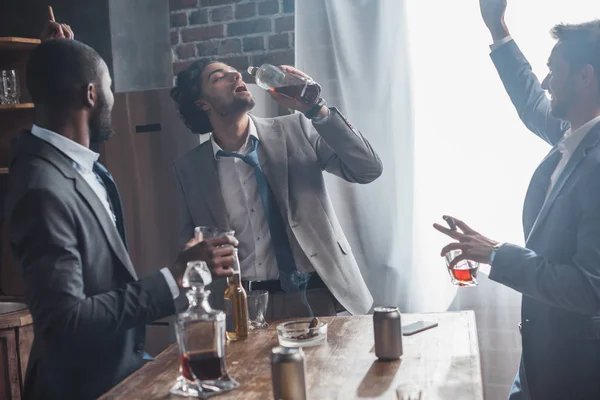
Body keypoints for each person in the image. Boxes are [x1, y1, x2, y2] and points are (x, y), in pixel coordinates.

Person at [5, 38, 238, 399]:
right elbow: (65, 322)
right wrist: (174, 277)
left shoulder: (85, 168)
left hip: (124, 376)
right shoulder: (40, 187)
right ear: (92, 94)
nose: (114, 99)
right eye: (111, 88)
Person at [434, 1, 600, 399]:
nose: (545, 82)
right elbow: (530, 102)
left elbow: (589, 288)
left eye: (553, 72)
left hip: (577, 375)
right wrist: (497, 27)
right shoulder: (574, 135)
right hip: (541, 364)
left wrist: (496, 254)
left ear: (585, 77)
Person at [171, 60, 383, 318]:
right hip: (243, 308)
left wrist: (317, 109)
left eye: (233, 72)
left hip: (321, 295)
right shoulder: (189, 169)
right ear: (202, 103)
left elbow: (367, 169)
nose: (235, 74)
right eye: (219, 77)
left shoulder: (298, 129)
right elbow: (190, 251)